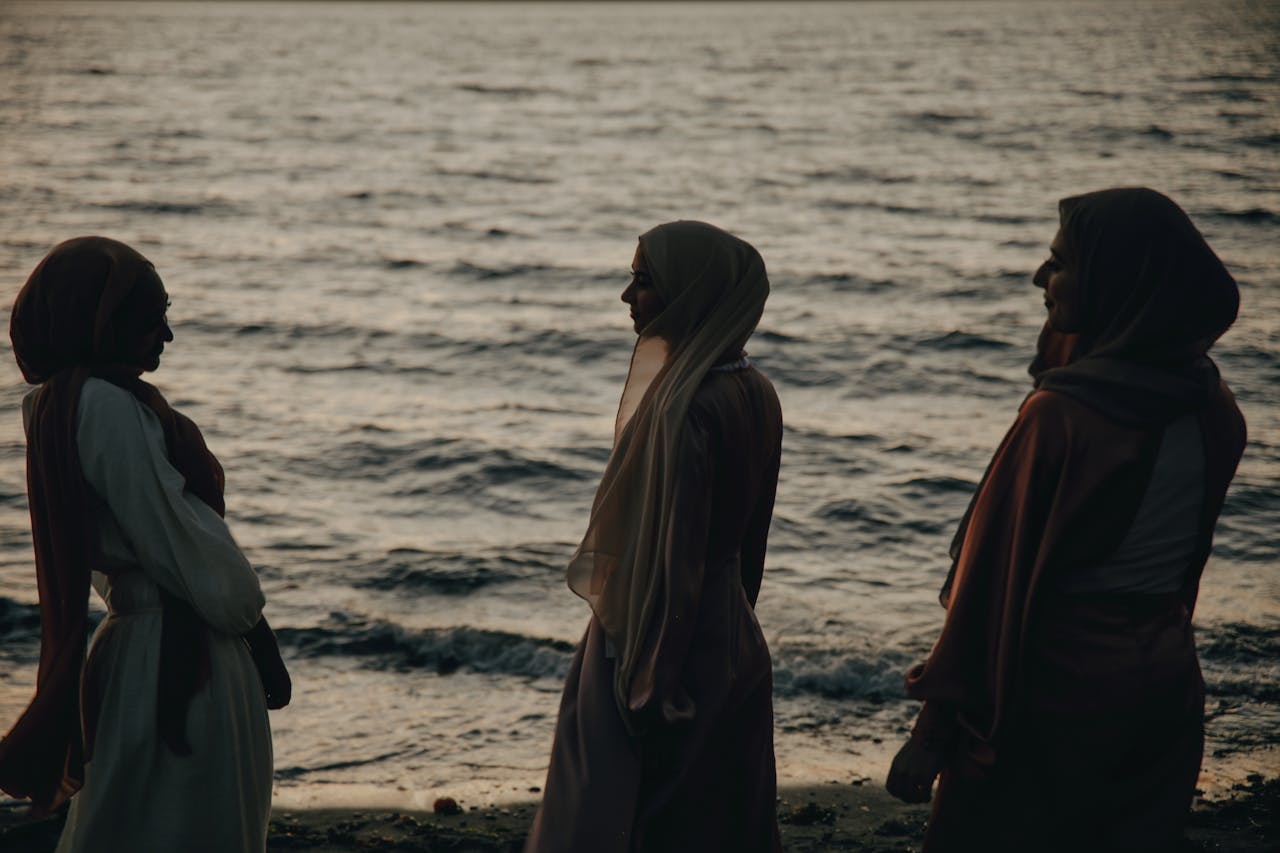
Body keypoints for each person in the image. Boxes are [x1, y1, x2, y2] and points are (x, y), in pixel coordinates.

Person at [885, 188, 1247, 852]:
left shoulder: (1062, 419)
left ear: (1117, 279)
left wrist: (932, 735)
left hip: (1055, 696)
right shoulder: (1213, 406)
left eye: (1059, 263)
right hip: (1166, 688)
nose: (1039, 279)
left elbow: (986, 590)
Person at [0, 237, 291, 852]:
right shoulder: (104, 406)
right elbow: (183, 543)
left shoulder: (58, 406)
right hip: (174, 661)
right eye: (150, 315)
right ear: (101, 320)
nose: (167, 334)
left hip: (136, 647)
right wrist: (252, 622)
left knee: (126, 823)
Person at [525, 222, 784, 853]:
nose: (627, 297)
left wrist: (650, 685)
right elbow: (750, 551)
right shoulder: (756, 390)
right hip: (732, 638)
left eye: (644, 281)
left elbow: (676, 560)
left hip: (660, 639)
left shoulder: (687, 407)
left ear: (687, 292)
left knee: (612, 814)